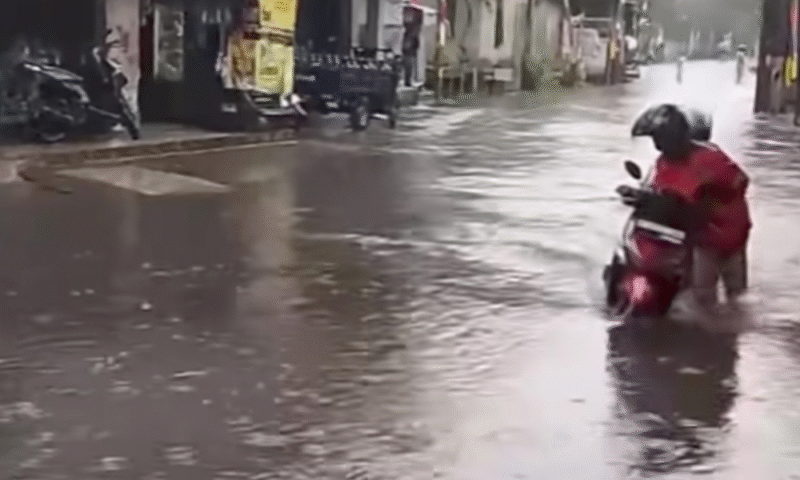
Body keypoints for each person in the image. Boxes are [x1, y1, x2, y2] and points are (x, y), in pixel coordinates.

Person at [632, 104, 751, 313]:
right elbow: (663, 193)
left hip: (728, 233)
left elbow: (740, 180)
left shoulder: (711, 157)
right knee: (704, 298)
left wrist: (712, 195)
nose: (659, 146)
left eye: (661, 139)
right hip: (702, 236)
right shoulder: (664, 163)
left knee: (736, 296)